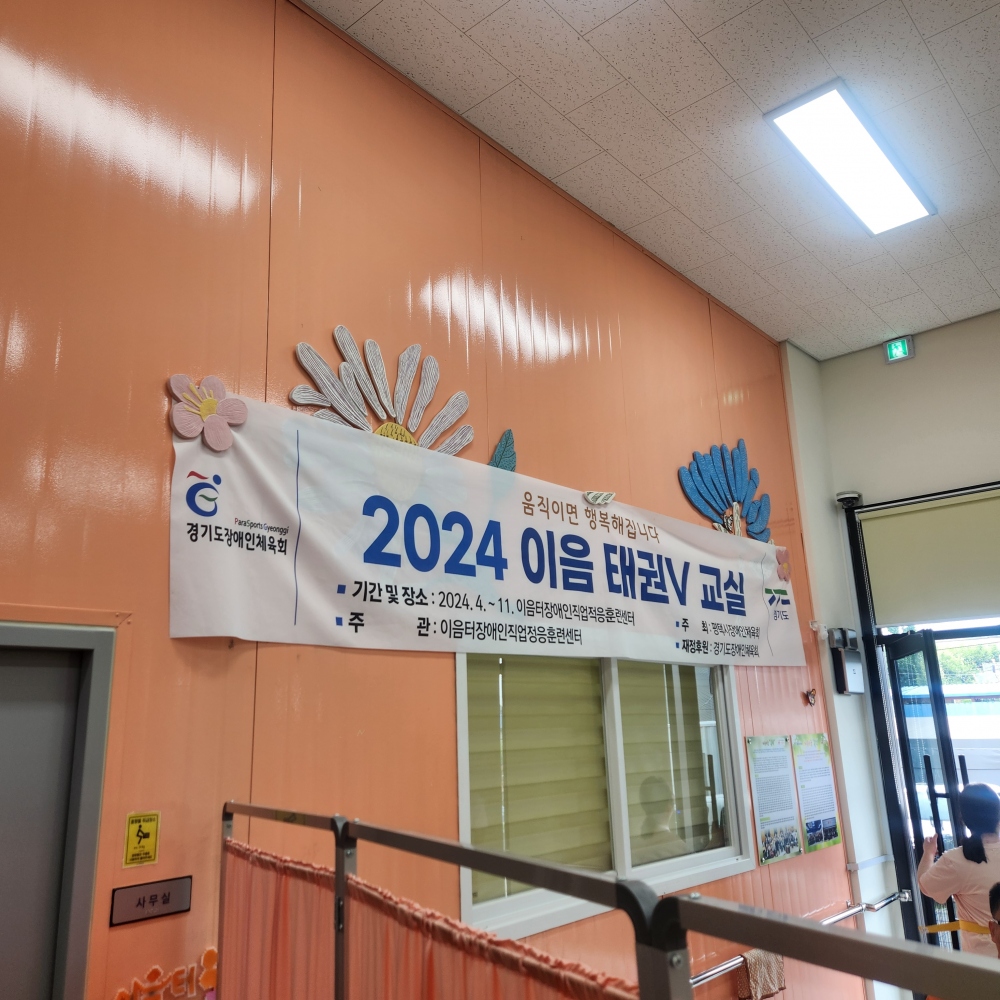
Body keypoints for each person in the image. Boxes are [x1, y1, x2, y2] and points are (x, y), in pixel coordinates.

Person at [918, 783, 1000, 956]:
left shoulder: (957, 861)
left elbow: (925, 885)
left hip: (985, 957)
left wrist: (928, 853)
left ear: (963, 819)